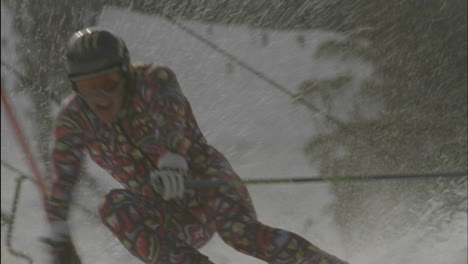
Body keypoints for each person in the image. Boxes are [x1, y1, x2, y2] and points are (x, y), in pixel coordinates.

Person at [44, 27, 349, 264]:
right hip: (165, 210)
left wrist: (172, 160)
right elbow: (62, 176)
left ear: (125, 73)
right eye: (86, 88)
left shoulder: (152, 80)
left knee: (239, 233)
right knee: (111, 206)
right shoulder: (73, 118)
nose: (100, 98)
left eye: (108, 83)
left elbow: (169, 118)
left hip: (206, 182)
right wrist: (59, 235)